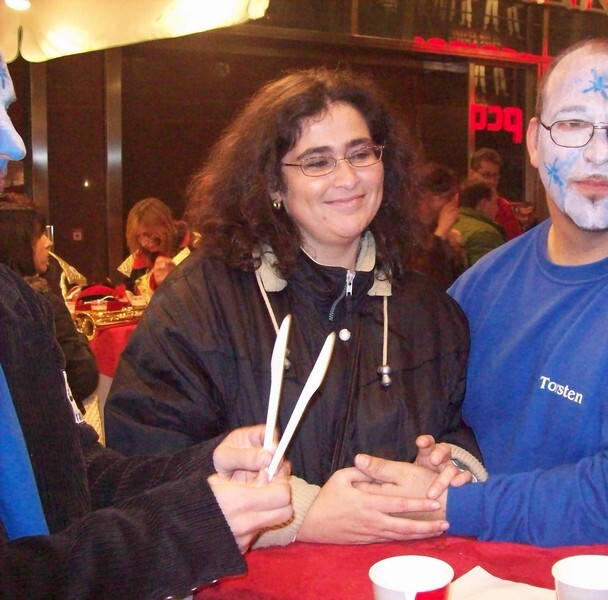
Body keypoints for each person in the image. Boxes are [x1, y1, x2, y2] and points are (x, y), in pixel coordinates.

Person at [353, 38, 608, 547]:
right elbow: (441, 424)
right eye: (573, 124)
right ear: (534, 142)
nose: (598, 153)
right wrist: (444, 461)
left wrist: (453, 504)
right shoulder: (480, 286)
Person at [104, 68, 484, 546]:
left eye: (360, 153)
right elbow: (142, 464)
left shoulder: (430, 311)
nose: (348, 177)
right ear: (272, 185)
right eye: (316, 161)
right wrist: (297, 515)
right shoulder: (199, 302)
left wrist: (448, 468)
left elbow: (461, 428)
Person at [0, 49, 293, 598]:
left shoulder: (16, 306)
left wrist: (204, 465)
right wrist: (179, 531)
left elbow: (79, 477)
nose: (15, 145)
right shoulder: (191, 294)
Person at [0, 200, 98, 410]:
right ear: (19, 246)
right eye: (39, 235)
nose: (48, 242)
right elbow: (83, 378)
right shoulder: (42, 305)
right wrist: (78, 333)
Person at [117, 196, 191, 299]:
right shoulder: (133, 262)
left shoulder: (192, 250)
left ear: (164, 225)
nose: (144, 243)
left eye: (148, 234)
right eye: (139, 236)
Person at [408, 162, 465, 289]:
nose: (452, 205)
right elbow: (418, 275)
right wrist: (440, 234)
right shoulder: (404, 228)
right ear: (426, 196)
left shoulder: (437, 230)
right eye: (448, 197)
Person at [469, 147, 523, 240]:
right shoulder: (456, 203)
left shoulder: (504, 208)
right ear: (472, 174)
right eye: (486, 175)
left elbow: (517, 241)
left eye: (495, 176)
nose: (491, 181)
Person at [453, 180, 506, 266]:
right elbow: (487, 271)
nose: (497, 209)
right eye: (496, 203)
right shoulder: (485, 233)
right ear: (484, 204)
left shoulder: (452, 223)